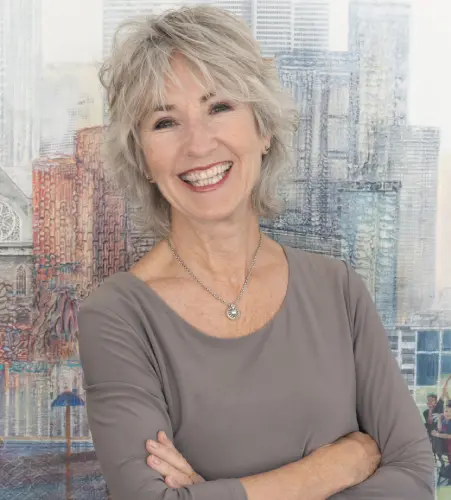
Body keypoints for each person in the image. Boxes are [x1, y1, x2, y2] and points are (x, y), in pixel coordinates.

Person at [77, 6, 434, 500]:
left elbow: (414, 476)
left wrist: (217, 493)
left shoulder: (337, 289)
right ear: (141, 158)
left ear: (262, 130)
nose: (199, 144)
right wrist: (332, 468)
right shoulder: (116, 317)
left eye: (219, 107)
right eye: (164, 121)